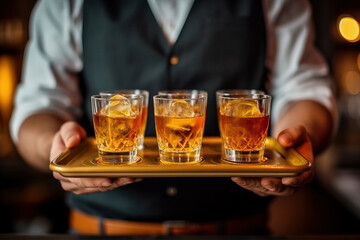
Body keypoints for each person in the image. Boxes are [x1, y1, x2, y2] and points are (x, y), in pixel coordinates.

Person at [10, 0, 337, 236]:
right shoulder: (63, 4)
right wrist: (57, 149)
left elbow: (304, 90)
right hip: (101, 229)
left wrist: (294, 143)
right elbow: (38, 107)